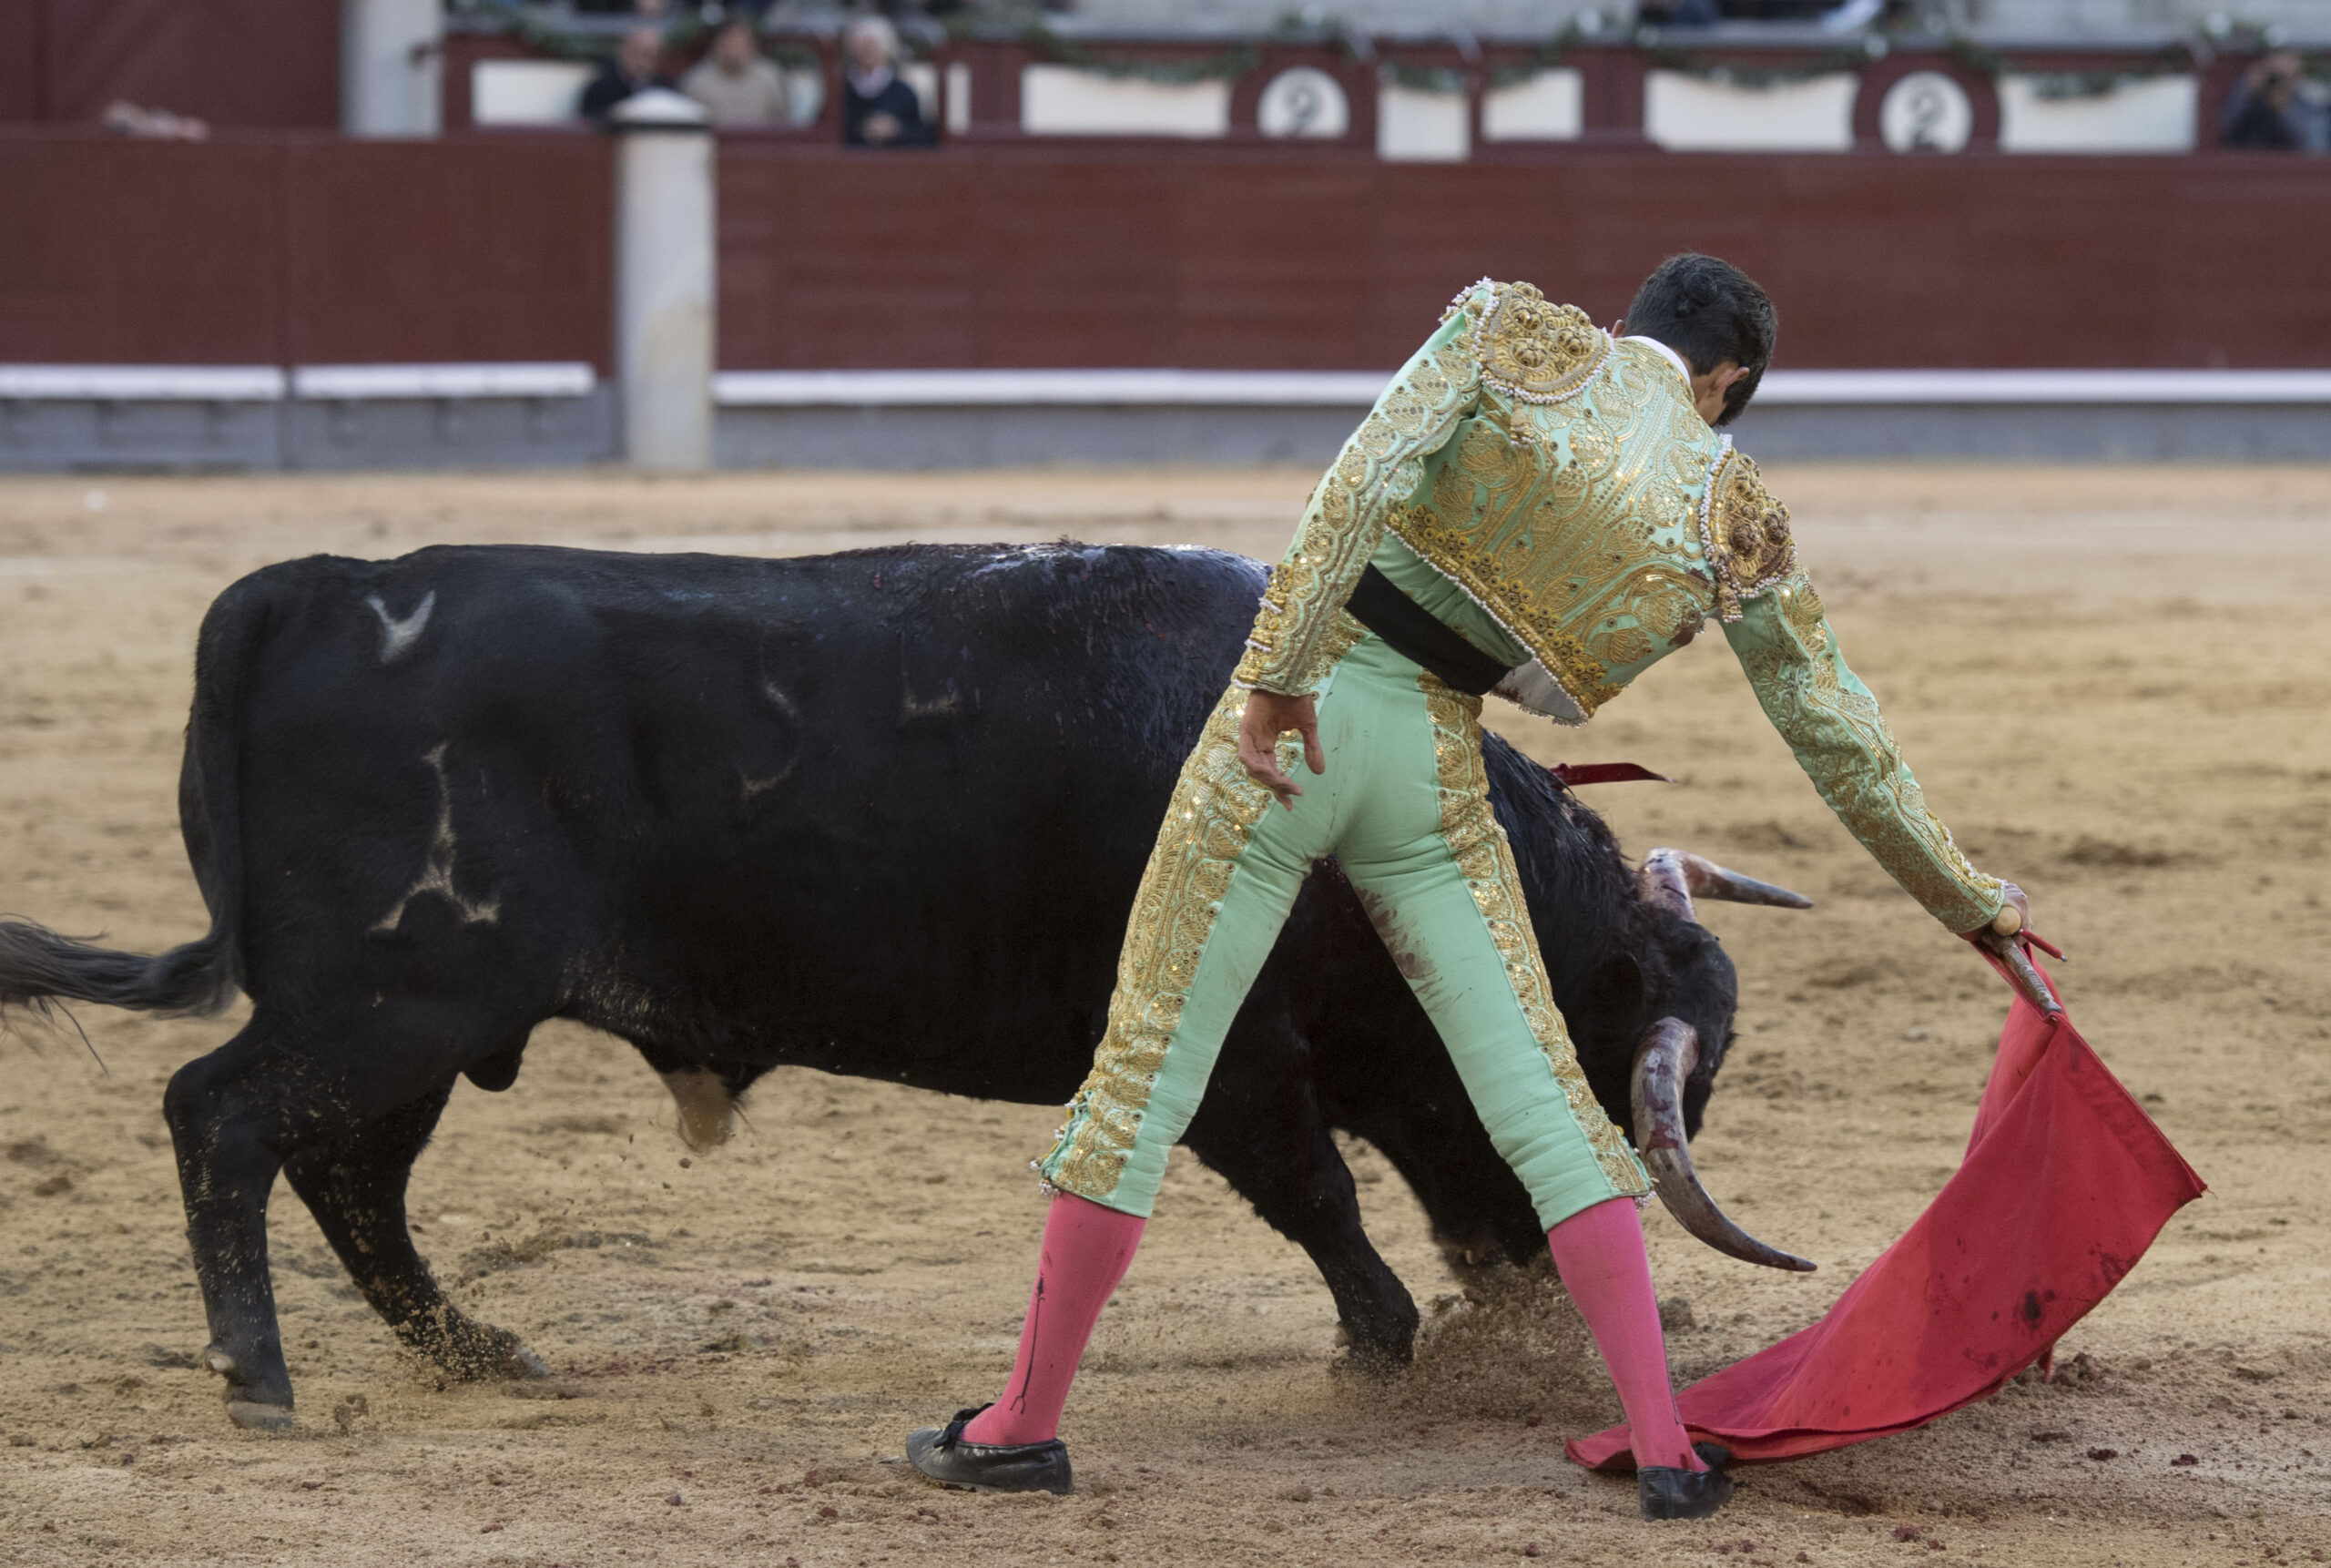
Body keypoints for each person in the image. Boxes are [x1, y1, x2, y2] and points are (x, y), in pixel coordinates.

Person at [902, 255, 2034, 1520]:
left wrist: (1275, 669)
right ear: (1727, 385)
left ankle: (1022, 1426)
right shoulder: (1734, 511)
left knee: (1144, 1075)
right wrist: (1969, 897)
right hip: (1435, 768)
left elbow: (1364, 476)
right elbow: (1836, 728)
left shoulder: (1516, 334)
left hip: (1303, 717)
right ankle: (1664, 1446)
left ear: (1626, 325)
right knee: (1550, 1105)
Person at [681, 17, 790, 127]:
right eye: (729, 42)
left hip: (762, 143)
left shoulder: (770, 77)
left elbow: (783, 122)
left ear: (752, 46)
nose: (734, 49)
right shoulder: (696, 82)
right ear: (716, 45)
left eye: (740, 43)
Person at [840, 16, 932, 147]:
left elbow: (924, 137)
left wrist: (896, 130)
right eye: (862, 48)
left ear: (887, 50)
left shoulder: (903, 93)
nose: (867, 54)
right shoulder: (841, 91)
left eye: (872, 47)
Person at [2221, 49, 2309, 150]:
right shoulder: (2248, 86)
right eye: (2277, 55)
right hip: (2244, 156)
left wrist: (2284, 101)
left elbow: (2304, 138)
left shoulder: (2300, 92)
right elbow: (2227, 126)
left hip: (2287, 159)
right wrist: (2248, 90)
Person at [580, 26, 675, 121]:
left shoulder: (665, 87)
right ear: (623, 51)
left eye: (649, 55)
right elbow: (589, 124)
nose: (641, 61)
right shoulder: (600, 89)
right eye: (636, 52)